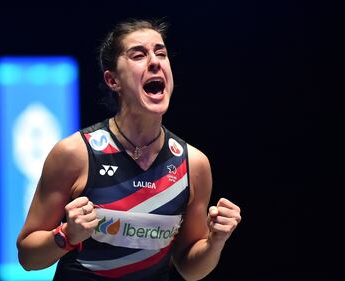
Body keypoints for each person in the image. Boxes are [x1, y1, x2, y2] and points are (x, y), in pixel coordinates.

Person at [16, 18, 241, 281]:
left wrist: (216, 241)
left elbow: (190, 268)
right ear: (113, 81)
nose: (155, 61)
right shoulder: (75, 154)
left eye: (161, 53)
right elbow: (27, 257)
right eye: (139, 55)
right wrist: (66, 235)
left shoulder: (193, 164)